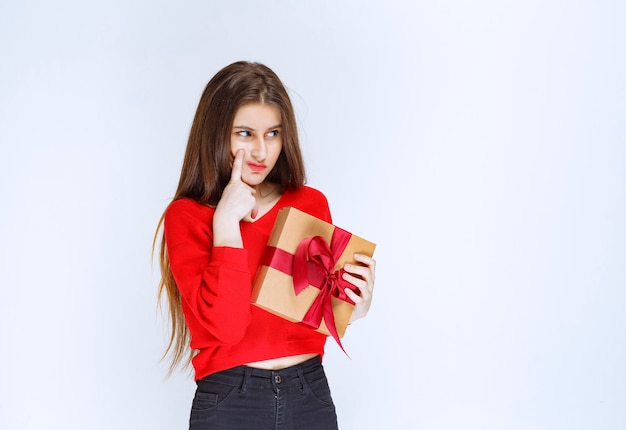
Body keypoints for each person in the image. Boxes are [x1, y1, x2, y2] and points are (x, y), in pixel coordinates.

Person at [155, 61, 376, 429]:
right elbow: (226, 328)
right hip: (229, 399)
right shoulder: (187, 217)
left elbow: (315, 311)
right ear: (214, 134)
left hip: (310, 393)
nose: (261, 151)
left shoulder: (310, 203)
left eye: (273, 133)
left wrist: (354, 307)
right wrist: (226, 224)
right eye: (245, 133)